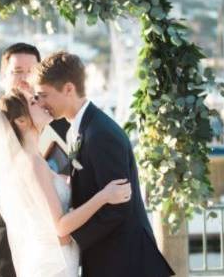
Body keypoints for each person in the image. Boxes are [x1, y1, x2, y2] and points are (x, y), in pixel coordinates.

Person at [33, 51, 175, 277]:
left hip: (125, 262)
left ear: (69, 89)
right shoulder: (79, 128)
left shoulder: (100, 133)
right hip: (108, 259)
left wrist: (71, 240)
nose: (40, 103)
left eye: (44, 95)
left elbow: (118, 207)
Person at [0, 89, 132, 277]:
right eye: (34, 102)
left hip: (49, 259)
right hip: (55, 265)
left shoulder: (29, 160)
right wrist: (104, 196)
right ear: (21, 121)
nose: (42, 104)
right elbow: (60, 228)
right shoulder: (33, 163)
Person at [0, 43, 68, 277]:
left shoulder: (56, 119)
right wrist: (23, 184)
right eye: (18, 71)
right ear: (4, 75)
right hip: (5, 236)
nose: (25, 78)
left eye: (32, 70)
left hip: (51, 239)